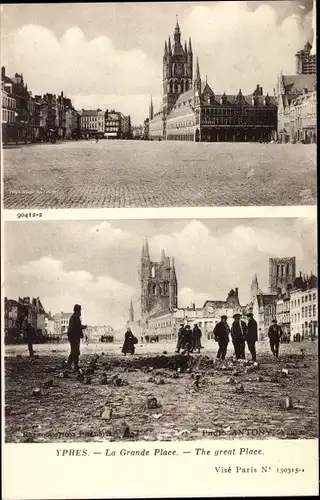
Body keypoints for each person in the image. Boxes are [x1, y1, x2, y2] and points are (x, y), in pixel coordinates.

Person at [67, 304, 87, 371]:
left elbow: (75, 327)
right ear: (78, 310)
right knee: (75, 351)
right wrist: (82, 327)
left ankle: (72, 365)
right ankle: (73, 365)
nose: (80, 312)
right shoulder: (75, 317)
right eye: (80, 310)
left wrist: (81, 327)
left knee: (75, 351)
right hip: (74, 337)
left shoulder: (74, 317)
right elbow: (75, 328)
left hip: (73, 337)